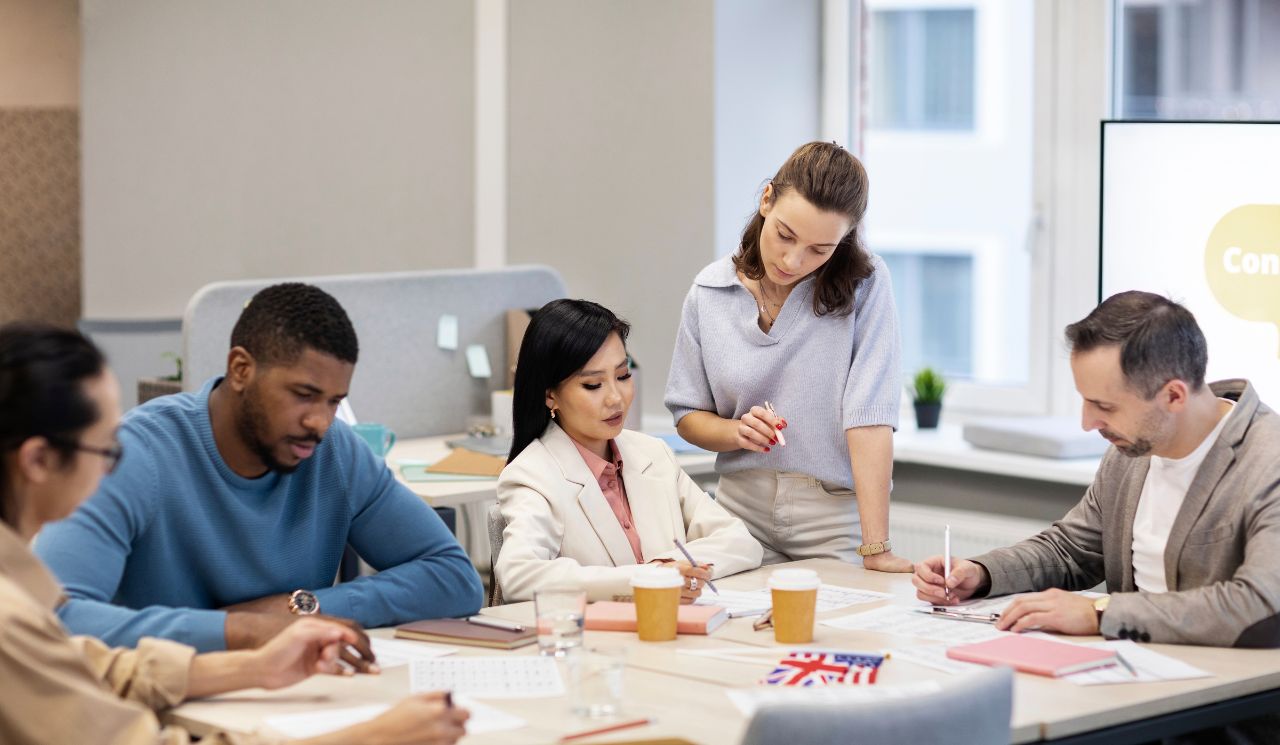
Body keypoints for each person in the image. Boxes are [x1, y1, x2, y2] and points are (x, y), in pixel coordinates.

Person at [0, 323, 469, 744]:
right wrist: (370, 739)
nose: (321, 422)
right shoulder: (12, 617)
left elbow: (90, 661)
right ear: (39, 461)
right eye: (105, 447)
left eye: (333, 402)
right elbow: (60, 639)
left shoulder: (19, 603)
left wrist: (258, 657)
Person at [36, 283, 483, 655]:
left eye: (334, 401)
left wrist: (301, 608)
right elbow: (49, 617)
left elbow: (453, 576)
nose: (320, 423)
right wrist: (237, 630)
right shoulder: (134, 456)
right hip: (161, 709)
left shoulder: (335, 453)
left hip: (285, 701)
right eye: (303, 394)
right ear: (241, 369)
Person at [914, 291, 1280, 648]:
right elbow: (1070, 550)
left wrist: (1102, 613)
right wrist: (981, 574)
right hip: (1133, 664)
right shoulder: (1132, 447)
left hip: (1231, 688)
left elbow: (1261, 604)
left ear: (1174, 396)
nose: (1088, 422)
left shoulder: (1268, 459)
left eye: (1104, 405)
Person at [665, 141, 910, 571]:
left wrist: (877, 549)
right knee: (731, 630)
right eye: (785, 235)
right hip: (739, 511)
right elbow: (688, 415)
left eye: (820, 249)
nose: (794, 260)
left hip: (833, 516)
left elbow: (869, 418)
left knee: (843, 629)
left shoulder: (866, 285)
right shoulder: (709, 291)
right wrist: (737, 432)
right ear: (766, 200)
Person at [495, 299, 762, 603]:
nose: (615, 398)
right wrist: (645, 579)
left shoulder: (652, 453)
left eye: (622, 376)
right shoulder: (532, 475)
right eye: (593, 385)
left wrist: (666, 568)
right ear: (549, 395)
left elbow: (741, 542)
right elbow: (518, 576)